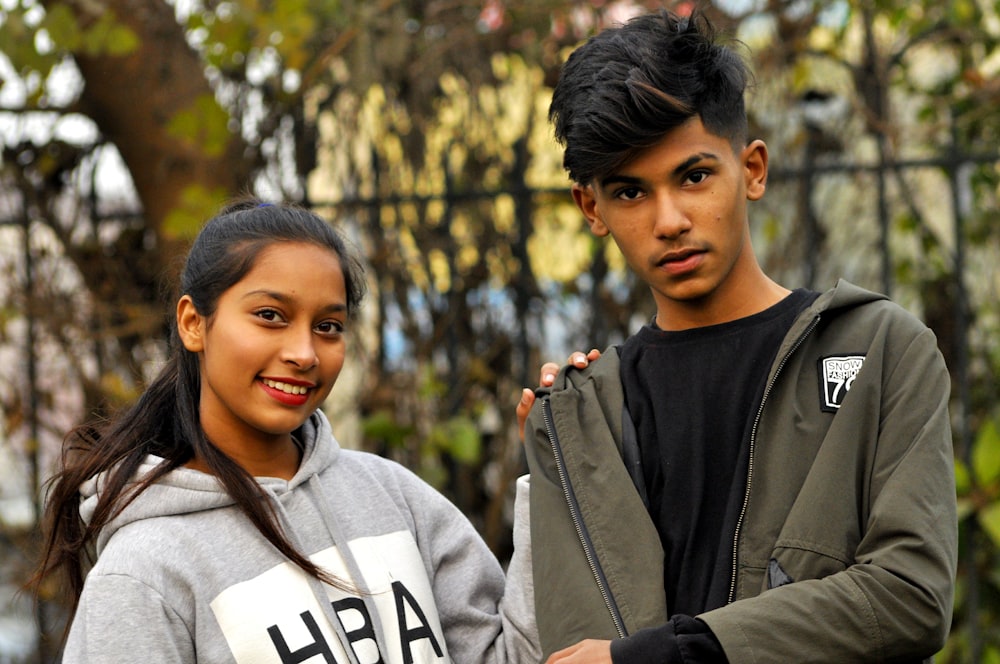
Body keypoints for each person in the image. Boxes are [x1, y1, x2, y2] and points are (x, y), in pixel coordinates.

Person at [515, 9, 956, 664]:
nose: (669, 220)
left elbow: (910, 595)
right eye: (631, 192)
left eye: (694, 177)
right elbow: (574, 647)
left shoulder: (883, 353)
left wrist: (660, 657)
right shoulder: (577, 417)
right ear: (592, 209)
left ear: (751, 169)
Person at [31, 199, 539, 664]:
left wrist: (555, 480)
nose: (305, 353)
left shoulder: (393, 496)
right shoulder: (145, 571)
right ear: (193, 323)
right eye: (270, 316)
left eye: (328, 326)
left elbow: (513, 658)